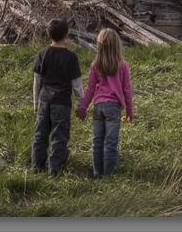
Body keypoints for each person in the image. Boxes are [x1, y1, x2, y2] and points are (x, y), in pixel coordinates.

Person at [76, 28, 135, 178]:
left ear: (100, 46)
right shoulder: (123, 65)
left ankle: (97, 173)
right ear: (117, 45)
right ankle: (107, 175)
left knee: (97, 141)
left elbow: (89, 90)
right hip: (113, 108)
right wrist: (129, 111)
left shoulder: (95, 65)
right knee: (110, 142)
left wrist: (83, 108)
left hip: (98, 106)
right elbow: (127, 90)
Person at [31, 18, 82, 175]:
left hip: (44, 100)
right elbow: (77, 85)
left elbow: (36, 82)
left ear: (47, 33)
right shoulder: (71, 58)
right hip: (62, 102)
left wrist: (35, 103)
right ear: (67, 34)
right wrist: (82, 103)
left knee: (40, 134)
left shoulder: (42, 54)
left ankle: (36, 166)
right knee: (59, 135)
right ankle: (54, 168)